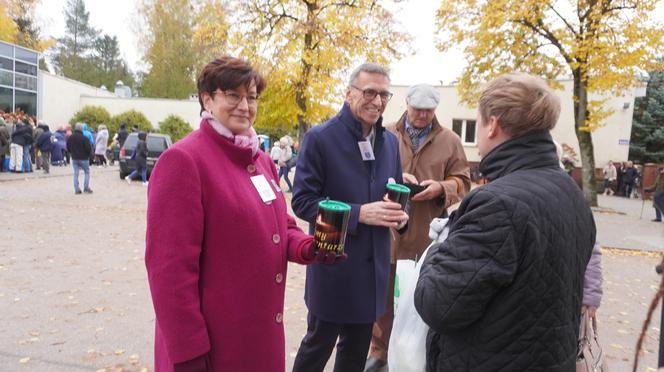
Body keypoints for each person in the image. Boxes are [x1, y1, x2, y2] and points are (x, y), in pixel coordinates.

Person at [145, 56, 343, 372]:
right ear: (207, 99)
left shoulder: (261, 161)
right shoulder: (184, 161)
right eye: (233, 95)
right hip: (216, 347)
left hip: (259, 341)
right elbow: (169, 272)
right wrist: (188, 353)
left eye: (251, 97)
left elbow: (282, 225)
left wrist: (310, 246)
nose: (245, 106)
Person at [414, 73, 596, 371]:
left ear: (493, 125)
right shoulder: (569, 191)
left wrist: (440, 245)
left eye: (479, 122)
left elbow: (438, 305)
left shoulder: (496, 203)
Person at [291, 63, 409, 372]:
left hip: (373, 272)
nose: (378, 101)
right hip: (334, 265)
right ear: (349, 93)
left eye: (384, 94)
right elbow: (303, 202)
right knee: (317, 348)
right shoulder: (321, 138)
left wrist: (401, 217)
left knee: (355, 356)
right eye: (369, 92)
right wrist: (359, 214)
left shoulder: (391, 144)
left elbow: (395, 193)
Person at [365, 84, 471, 372]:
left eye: (428, 111)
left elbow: (463, 180)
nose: (422, 115)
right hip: (388, 228)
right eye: (417, 109)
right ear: (407, 104)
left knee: (421, 295)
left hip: (427, 232)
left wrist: (441, 188)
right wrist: (393, 178)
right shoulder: (384, 132)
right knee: (384, 294)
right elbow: (367, 172)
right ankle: (379, 350)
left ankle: (417, 353)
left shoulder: (449, 140)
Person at [66, 123, 93, 194]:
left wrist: (71, 153)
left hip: (74, 158)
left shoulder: (71, 137)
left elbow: (68, 147)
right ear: (82, 129)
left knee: (76, 173)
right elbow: (88, 149)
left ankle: (77, 189)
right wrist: (88, 155)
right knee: (87, 172)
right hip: (84, 158)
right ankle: (86, 188)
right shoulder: (84, 138)